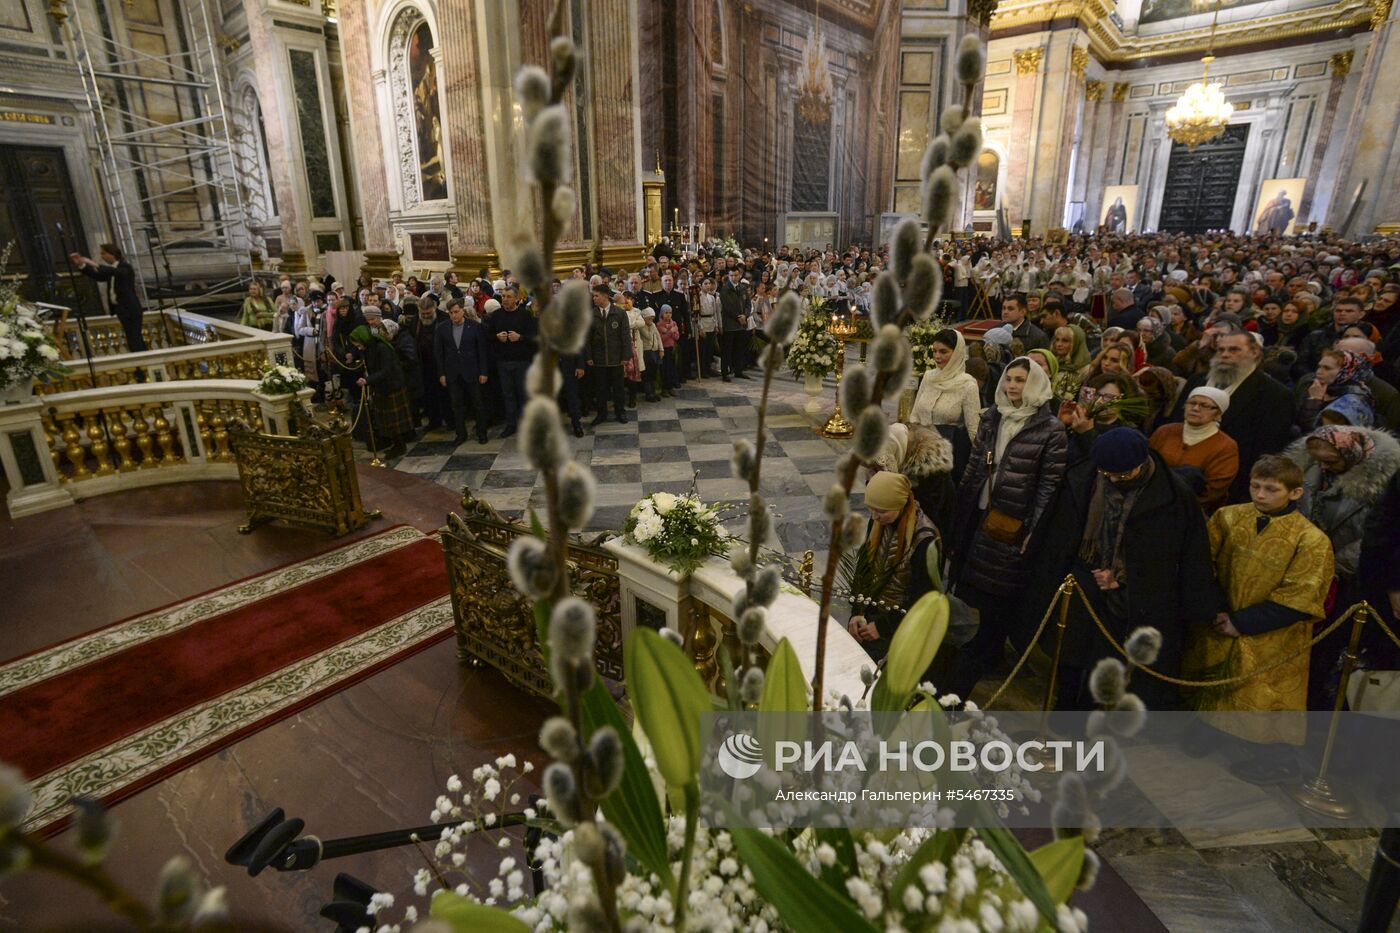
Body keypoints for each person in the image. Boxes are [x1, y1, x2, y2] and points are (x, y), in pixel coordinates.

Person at [1018, 428, 1219, 710]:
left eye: (1122, 476)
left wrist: (1120, 576)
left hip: (1131, 596)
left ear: (1141, 463)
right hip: (1080, 579)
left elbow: (1170, 555)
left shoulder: (1172, 496)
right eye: (1107, 474)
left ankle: (1088, 713)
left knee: (1106, 658)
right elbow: (1060, 530)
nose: (1113, 480)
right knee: (1069, 651)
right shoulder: (1084, 478)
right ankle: (1064, 706)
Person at [1184, 455, 1334, 784]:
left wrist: (1243, 622)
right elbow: (1202, 563)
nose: (1260, 495)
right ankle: (1210, 731)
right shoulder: (1227, 517)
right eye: (1255, 486)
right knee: (1215, 681)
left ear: (1294, 493)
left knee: (1266, 699)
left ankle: (1276, 761)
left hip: (1273, 633)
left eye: (1271, 489)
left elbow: (1301, 595)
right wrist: (1216, 610)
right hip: (1221, 617)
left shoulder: (1311, 540)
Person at [949, 358, 1067, 698]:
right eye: (1009, 379)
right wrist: (961, 509)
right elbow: (974, 464)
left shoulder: (1050, 429)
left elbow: (1048, 485)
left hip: (1012, 519)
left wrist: (1032, 529)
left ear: (1035, 385)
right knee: (976, 580)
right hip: (980, 509)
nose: (1013, 386)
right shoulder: (993, 415)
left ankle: (987, 647)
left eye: (1020, 380)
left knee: (998, 588)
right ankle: (986, 645)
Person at [1286, 426, 1400, 708]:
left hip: (1350, 578)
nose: (1323, 466)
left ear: (1352, 454)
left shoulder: (1381, 481)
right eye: (1319, 460)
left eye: (1331, 461)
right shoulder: (1309, 470)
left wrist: (1328, 559)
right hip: (1306, 570)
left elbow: (1377, 534)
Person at [1176, 330, 1294, 502]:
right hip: (1178, 479)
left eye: (1233, 350)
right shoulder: (1196, 381)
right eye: (1220, 350)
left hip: (1233, 488)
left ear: (1254, 353)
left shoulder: (1275, 395)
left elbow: (1267, 450)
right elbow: (1176, 422)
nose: (1225, 355)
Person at [845, 470, 940, 663]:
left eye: (881, 511)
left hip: (899, 625)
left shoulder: (924, 540)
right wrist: (857, 611)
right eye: (871, 509)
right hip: (872, 613)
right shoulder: (879, 521)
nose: (875, 516)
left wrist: (882, 627)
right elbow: (863, 568)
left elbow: (924, 598)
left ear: (900, 504)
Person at [1149, 386, 1239, 513]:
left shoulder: (1226, 446)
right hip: (1151, 503)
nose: (1195, 408)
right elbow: (1146, 464)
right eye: (1192, 403)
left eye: (1204, 405)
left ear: (1218, 413)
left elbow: (1214, 490)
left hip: (1193, 511)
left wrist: (1177, 506)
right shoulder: (1165, 431)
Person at [907, 329, 981, 480]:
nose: (937, 356)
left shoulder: (968, 385)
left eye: (943, 351)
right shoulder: (929, 377)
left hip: (947, 459)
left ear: (957, 353)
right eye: (934, 351)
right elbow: (915, 414)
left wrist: (978, 466)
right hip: (919, 453)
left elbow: (974, 430)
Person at [350, 324, 413, 459]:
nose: (358, 347)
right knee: (383, 418)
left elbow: (386, 370)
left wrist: (368, 380)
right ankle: (389, 441)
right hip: (380, 387)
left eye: (359, 344)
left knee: (393, 420)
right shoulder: (369, 349)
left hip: (391, 386)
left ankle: (399, 445)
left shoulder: (381, 348)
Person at [434, 300, 491, 445]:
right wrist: (442, 374)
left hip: (472, 371)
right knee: (456, 405)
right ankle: (461, 434)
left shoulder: (475, 326)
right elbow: (439, 353)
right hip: (452, 372)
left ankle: (481, 433)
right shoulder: (442, 328)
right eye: (451, 313)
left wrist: (483, 372)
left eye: (456, 312)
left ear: (462, 311)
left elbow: (482, 351)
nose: (454, 315)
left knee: (478, 404)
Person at [70, 243, 145, 351]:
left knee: (135, 338)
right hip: (122, 309)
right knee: (131, 337)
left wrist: (93, 263)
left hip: (131, 309)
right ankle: (141, 360)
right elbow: (98, 276)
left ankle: (142, 360)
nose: (102, 256)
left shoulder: (125, 267)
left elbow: (117, 273)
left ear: (112, 253)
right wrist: (82, 265)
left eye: (104, 253)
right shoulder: (111, 270)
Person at [489, 285, 537, 437]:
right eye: (503, 296)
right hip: (503, 362)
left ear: (516, 299)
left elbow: (535, 338)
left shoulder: (525, 315)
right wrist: (497, 337)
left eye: (508, 297)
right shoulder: (496, 315)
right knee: (508, 395)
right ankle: (511, 424)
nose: (505, 299)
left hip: (522, 361)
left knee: (523, 394)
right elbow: (488, 336)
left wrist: (520, 337)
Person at [1294, 349, 1377, 432]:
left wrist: (1314, 401)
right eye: (1319, 366)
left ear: (1346, 372)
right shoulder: (1313, 386)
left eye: (1327, 368)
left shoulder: (1354, 402)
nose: (1318, 372)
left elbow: (1323, 434)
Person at [587, 282, 631, 425]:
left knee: (618, 388)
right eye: (593, 296)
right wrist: (589, 356)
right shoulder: (591, 315)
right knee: (600, 389)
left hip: (616, 357)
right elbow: (587, 338)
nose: (594, 298)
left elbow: (625, 336)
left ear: (605, 296)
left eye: (596, 296)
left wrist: (626, 356)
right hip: (599, 359)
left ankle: (620, 412)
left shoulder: (619, 313)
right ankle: (601, 414)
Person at [719, 267, 750, 380]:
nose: (734, 277)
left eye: (736, 275)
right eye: (731, 275)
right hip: (730, 323)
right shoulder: (725, 289)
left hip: (741, 323)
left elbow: (748, 303)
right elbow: (727, 306)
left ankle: (738, 370)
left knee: (739, 349)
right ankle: (725, 373)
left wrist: (745, 315)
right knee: (727, 350)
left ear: (740, 275)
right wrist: (738, 316)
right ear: (729, 276)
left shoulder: (742, 287)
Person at [639, 307, 663, 403]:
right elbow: (648, 336)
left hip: (655, 351)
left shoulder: (653, 325)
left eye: (652, 318)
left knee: (653, 373)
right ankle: (648, 394)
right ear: (644, 318)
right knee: (647, 375)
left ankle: (654, 392)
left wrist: (661, 349)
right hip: (646, 352)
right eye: (649, 318)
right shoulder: (641, 326)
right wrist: (651, 327)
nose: (651, 320)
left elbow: (658, 337)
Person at [656, 304, 679, 397]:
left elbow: (676, 336)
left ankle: (671, 387)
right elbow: (661, 338)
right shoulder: (659, 324)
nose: (668, 315)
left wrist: (670, 331)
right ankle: (664, 388)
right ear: (662, 314)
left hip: (672, 349)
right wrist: (671, 331)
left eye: (670, 313)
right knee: (664, 369)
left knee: (672, 369)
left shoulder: (674, 323)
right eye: (666, 313)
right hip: (664, 350)